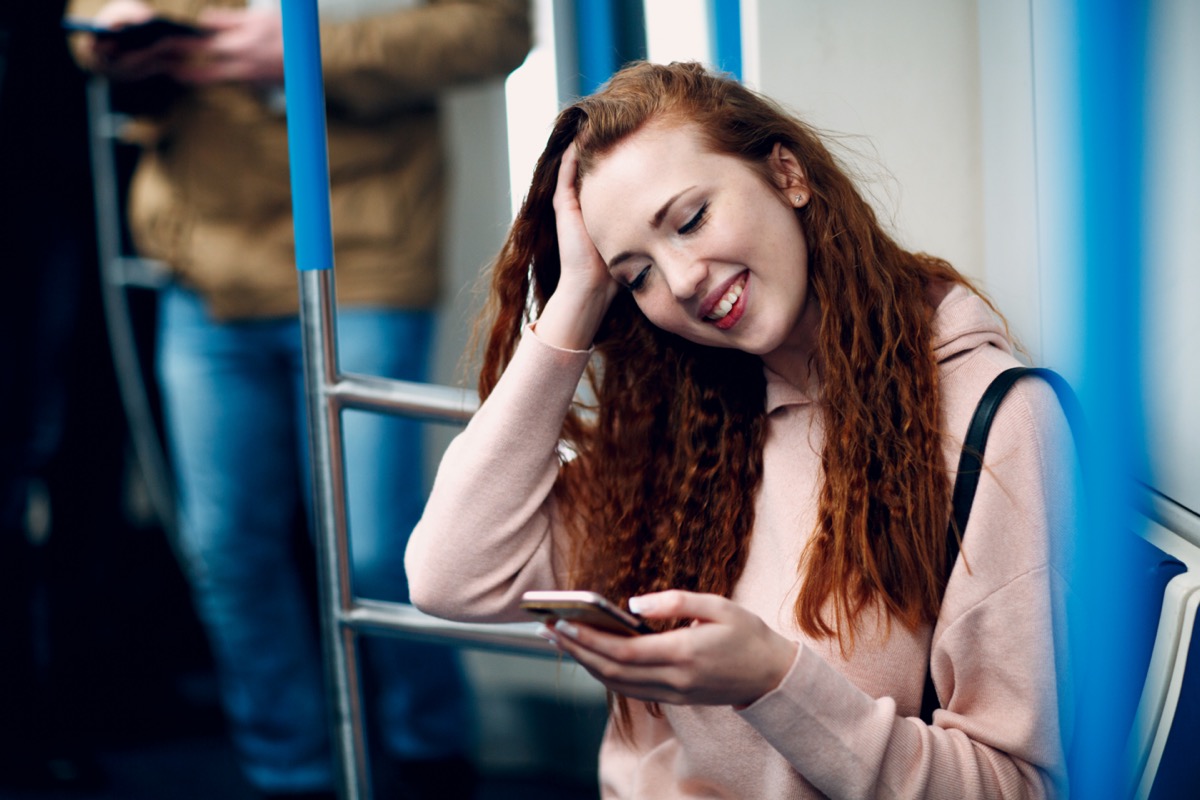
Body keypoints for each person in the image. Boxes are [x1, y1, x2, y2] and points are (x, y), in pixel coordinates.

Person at [406, 61, 1075, 798]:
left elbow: (1015, 785)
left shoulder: (997, 423)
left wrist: (773, 683)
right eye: (637, 275)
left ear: (787, 173)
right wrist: (579, 297)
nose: (683, 280)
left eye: (689, 220)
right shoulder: (686, 425)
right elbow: (450, 577)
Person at [66, 1, 531, 798]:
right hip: (201, 259)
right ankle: (288, 774)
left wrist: (309, 49)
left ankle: (432, 754)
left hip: (360, 257)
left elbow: (494, 28)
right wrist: (116, 44)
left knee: (377, 551)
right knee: (225, 550)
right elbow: (87, 23)